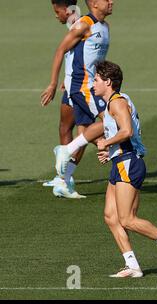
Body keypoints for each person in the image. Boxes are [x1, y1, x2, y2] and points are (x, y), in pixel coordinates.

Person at [93, 60, 157, 277]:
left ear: (108, 82)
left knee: (127, 219)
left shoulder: (117, 102)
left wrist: (106, 143)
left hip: (128, 163)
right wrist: (111, 152)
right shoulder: (115, 103)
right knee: (110, 216)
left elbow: (127, 131)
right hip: (121, 161)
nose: (93, 84)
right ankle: (132, 265)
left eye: (96, 80)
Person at [41, 0, 114, 199]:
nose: (111, 2)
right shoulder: (83, 25)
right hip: (82, 87)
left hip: (90, 86)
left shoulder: (105, 27)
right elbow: (61, 50)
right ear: (93, 3)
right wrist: (54, 83)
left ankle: (64, 181)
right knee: (113, 119)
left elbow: (91, 57)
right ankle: (66, 150)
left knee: (84, 130)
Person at [42, 0, 83, 190]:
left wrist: (53, 83)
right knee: (65, 127)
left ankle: (66, 176)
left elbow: (62, 52)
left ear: (67, 11)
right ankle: (63, 176)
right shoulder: (76, 25)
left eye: (56, 11)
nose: (55, 14)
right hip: (72, 84)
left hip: (80, 87)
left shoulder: (81, 27)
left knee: (86, 133)